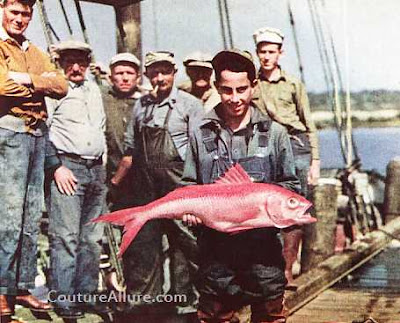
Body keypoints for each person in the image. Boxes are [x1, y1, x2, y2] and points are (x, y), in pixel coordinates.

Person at [182, 48, 300, 323]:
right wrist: (189, 213)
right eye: (226, 90)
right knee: (214, 316)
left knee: (270, 316)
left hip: (262, 252)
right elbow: (189, 183)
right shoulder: (201, 134)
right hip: (215, 250)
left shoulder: (275, 134)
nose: (234, 98)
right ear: (216, 88)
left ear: (253, 86)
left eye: (241, 89)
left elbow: (292, 185)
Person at [112, 51, 203, 321]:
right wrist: (115, 184)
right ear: (148, 75)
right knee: (145, 246)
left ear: (174, 73)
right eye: (154, 72)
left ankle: (189, 305)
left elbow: (200, 150)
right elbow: (130, 151)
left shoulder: (190, 105)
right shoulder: (142, 105)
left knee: (186, 244)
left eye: (164, 71)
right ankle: (146, 307)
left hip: (179, 186)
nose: (159, 77)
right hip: (146, 187)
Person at [0, 0, 68, 320]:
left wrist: (26, 79)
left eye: (26, 13)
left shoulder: (35, 50)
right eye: (15, 12)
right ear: (2, 10)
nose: (21, 19)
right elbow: (0, 85)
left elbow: (61, 85)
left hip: (37, 136)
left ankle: (22, 285)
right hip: (9, 134)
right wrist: (39, 85)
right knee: (8, 215)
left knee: (30, 216)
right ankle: (2, 291)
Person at [44, 40, 108, 320]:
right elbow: (40, 128)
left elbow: (101, 128)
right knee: (66, 237)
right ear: (60, 63)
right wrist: (56, 166)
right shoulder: (54, 89)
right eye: (69, 61)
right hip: (67, 167)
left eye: (81, 61)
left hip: (96, 170)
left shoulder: (93, 89)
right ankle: (64, 298)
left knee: (92, 238)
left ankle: (86, 294)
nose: (75, 67)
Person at [252, 27, 320, 284]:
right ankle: (266, 267)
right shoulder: (252, 83)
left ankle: (287, 269)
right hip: (264, 147)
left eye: (271, 51)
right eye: (262, 51)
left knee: (296, 208)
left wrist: (315, 161)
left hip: (296, 145)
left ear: (280, 53)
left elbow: (309, 122)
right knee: (264, 209)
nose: (266, 56)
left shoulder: (293, 84)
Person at [101, 52, 143, 211]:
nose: (125, 78)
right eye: (119, 73)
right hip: (107, 176)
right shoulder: (101, 98)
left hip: (139, 179)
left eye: (130, 73)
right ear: (111, 77)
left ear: (138, 78)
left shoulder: (146, 103)